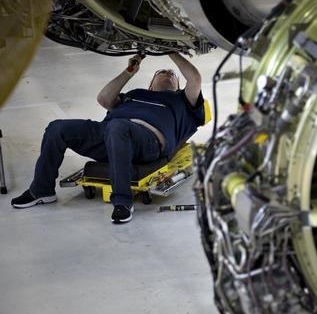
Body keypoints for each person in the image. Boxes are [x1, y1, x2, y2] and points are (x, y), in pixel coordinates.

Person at [11, 53, 204, 224]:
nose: (169, 73)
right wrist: (129, 71)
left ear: (179, 86)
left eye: (173, 74)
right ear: (151, 85)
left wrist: (168, 50)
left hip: (146, 143)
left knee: (118, 127)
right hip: (110, 134)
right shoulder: (135, 94)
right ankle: (42, 190)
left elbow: (194, 78)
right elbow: (104, 99)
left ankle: (123, 202)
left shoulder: (183, 102)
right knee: (57, 128)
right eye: (162, 71)